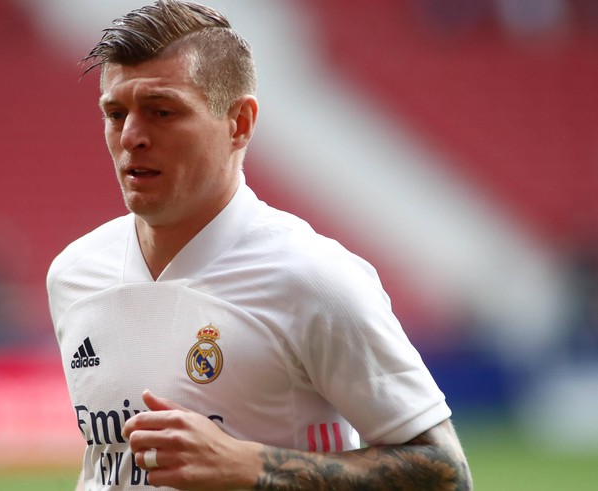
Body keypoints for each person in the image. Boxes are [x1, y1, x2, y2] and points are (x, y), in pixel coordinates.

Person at [46, 1, 473, 489]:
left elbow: (445, 474)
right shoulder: (74, 275)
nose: (132, 137)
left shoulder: (313, 278)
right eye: (115, 113)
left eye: (162, 111)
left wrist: (251, 468)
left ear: (240, 123)